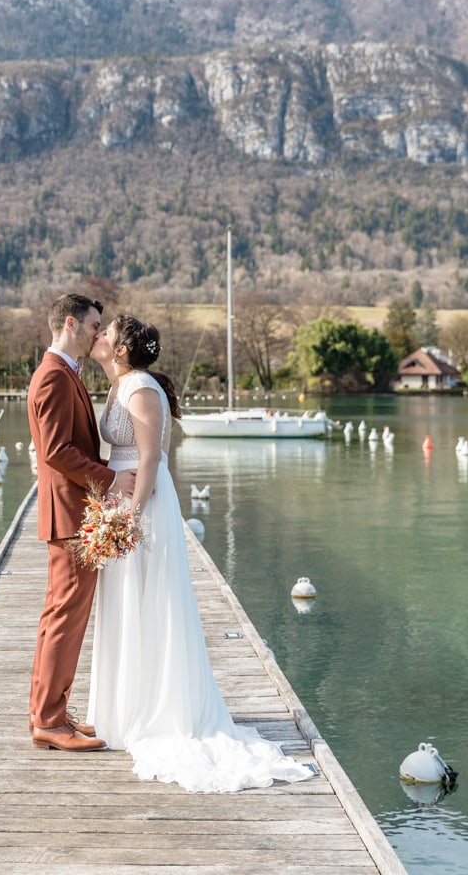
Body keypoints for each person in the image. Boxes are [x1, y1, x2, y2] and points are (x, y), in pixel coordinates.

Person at [86, 314, 314, 792]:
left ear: (122, 349)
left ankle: (156, 707)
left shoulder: (140, 387)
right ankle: (125, 708)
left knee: (151, 600)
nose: (98, 335)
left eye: (105, 331)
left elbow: (149, 457)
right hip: (124, 497)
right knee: (128, 599)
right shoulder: (120, 384)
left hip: (143, 503)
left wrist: (129, 513)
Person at [27, 293, 137, 752]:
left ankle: (49, 712)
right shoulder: (53, 376)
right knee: (66, 618)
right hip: (71, 515)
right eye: (94, 326)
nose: (99, 334)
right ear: (70, 324)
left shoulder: (62, 372)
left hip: (71, 511)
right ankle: (50, 722)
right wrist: (111, 478)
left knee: (59, 616)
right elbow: (56, 451)